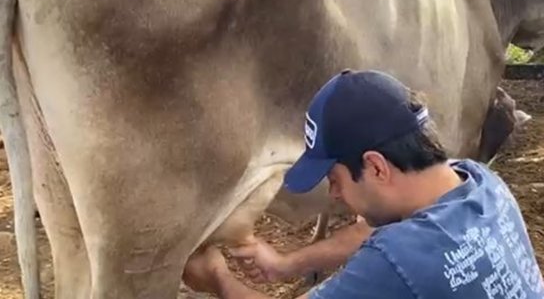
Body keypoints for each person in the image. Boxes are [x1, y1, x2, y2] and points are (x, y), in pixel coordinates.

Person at [182, 70, 544, 298]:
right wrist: (283, 265)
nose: (335, 194)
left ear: (375, 167)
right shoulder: (481, 184)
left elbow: (392, 254)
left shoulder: (401, 261)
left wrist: (218, 277)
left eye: (335, 179)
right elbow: (365, 234)